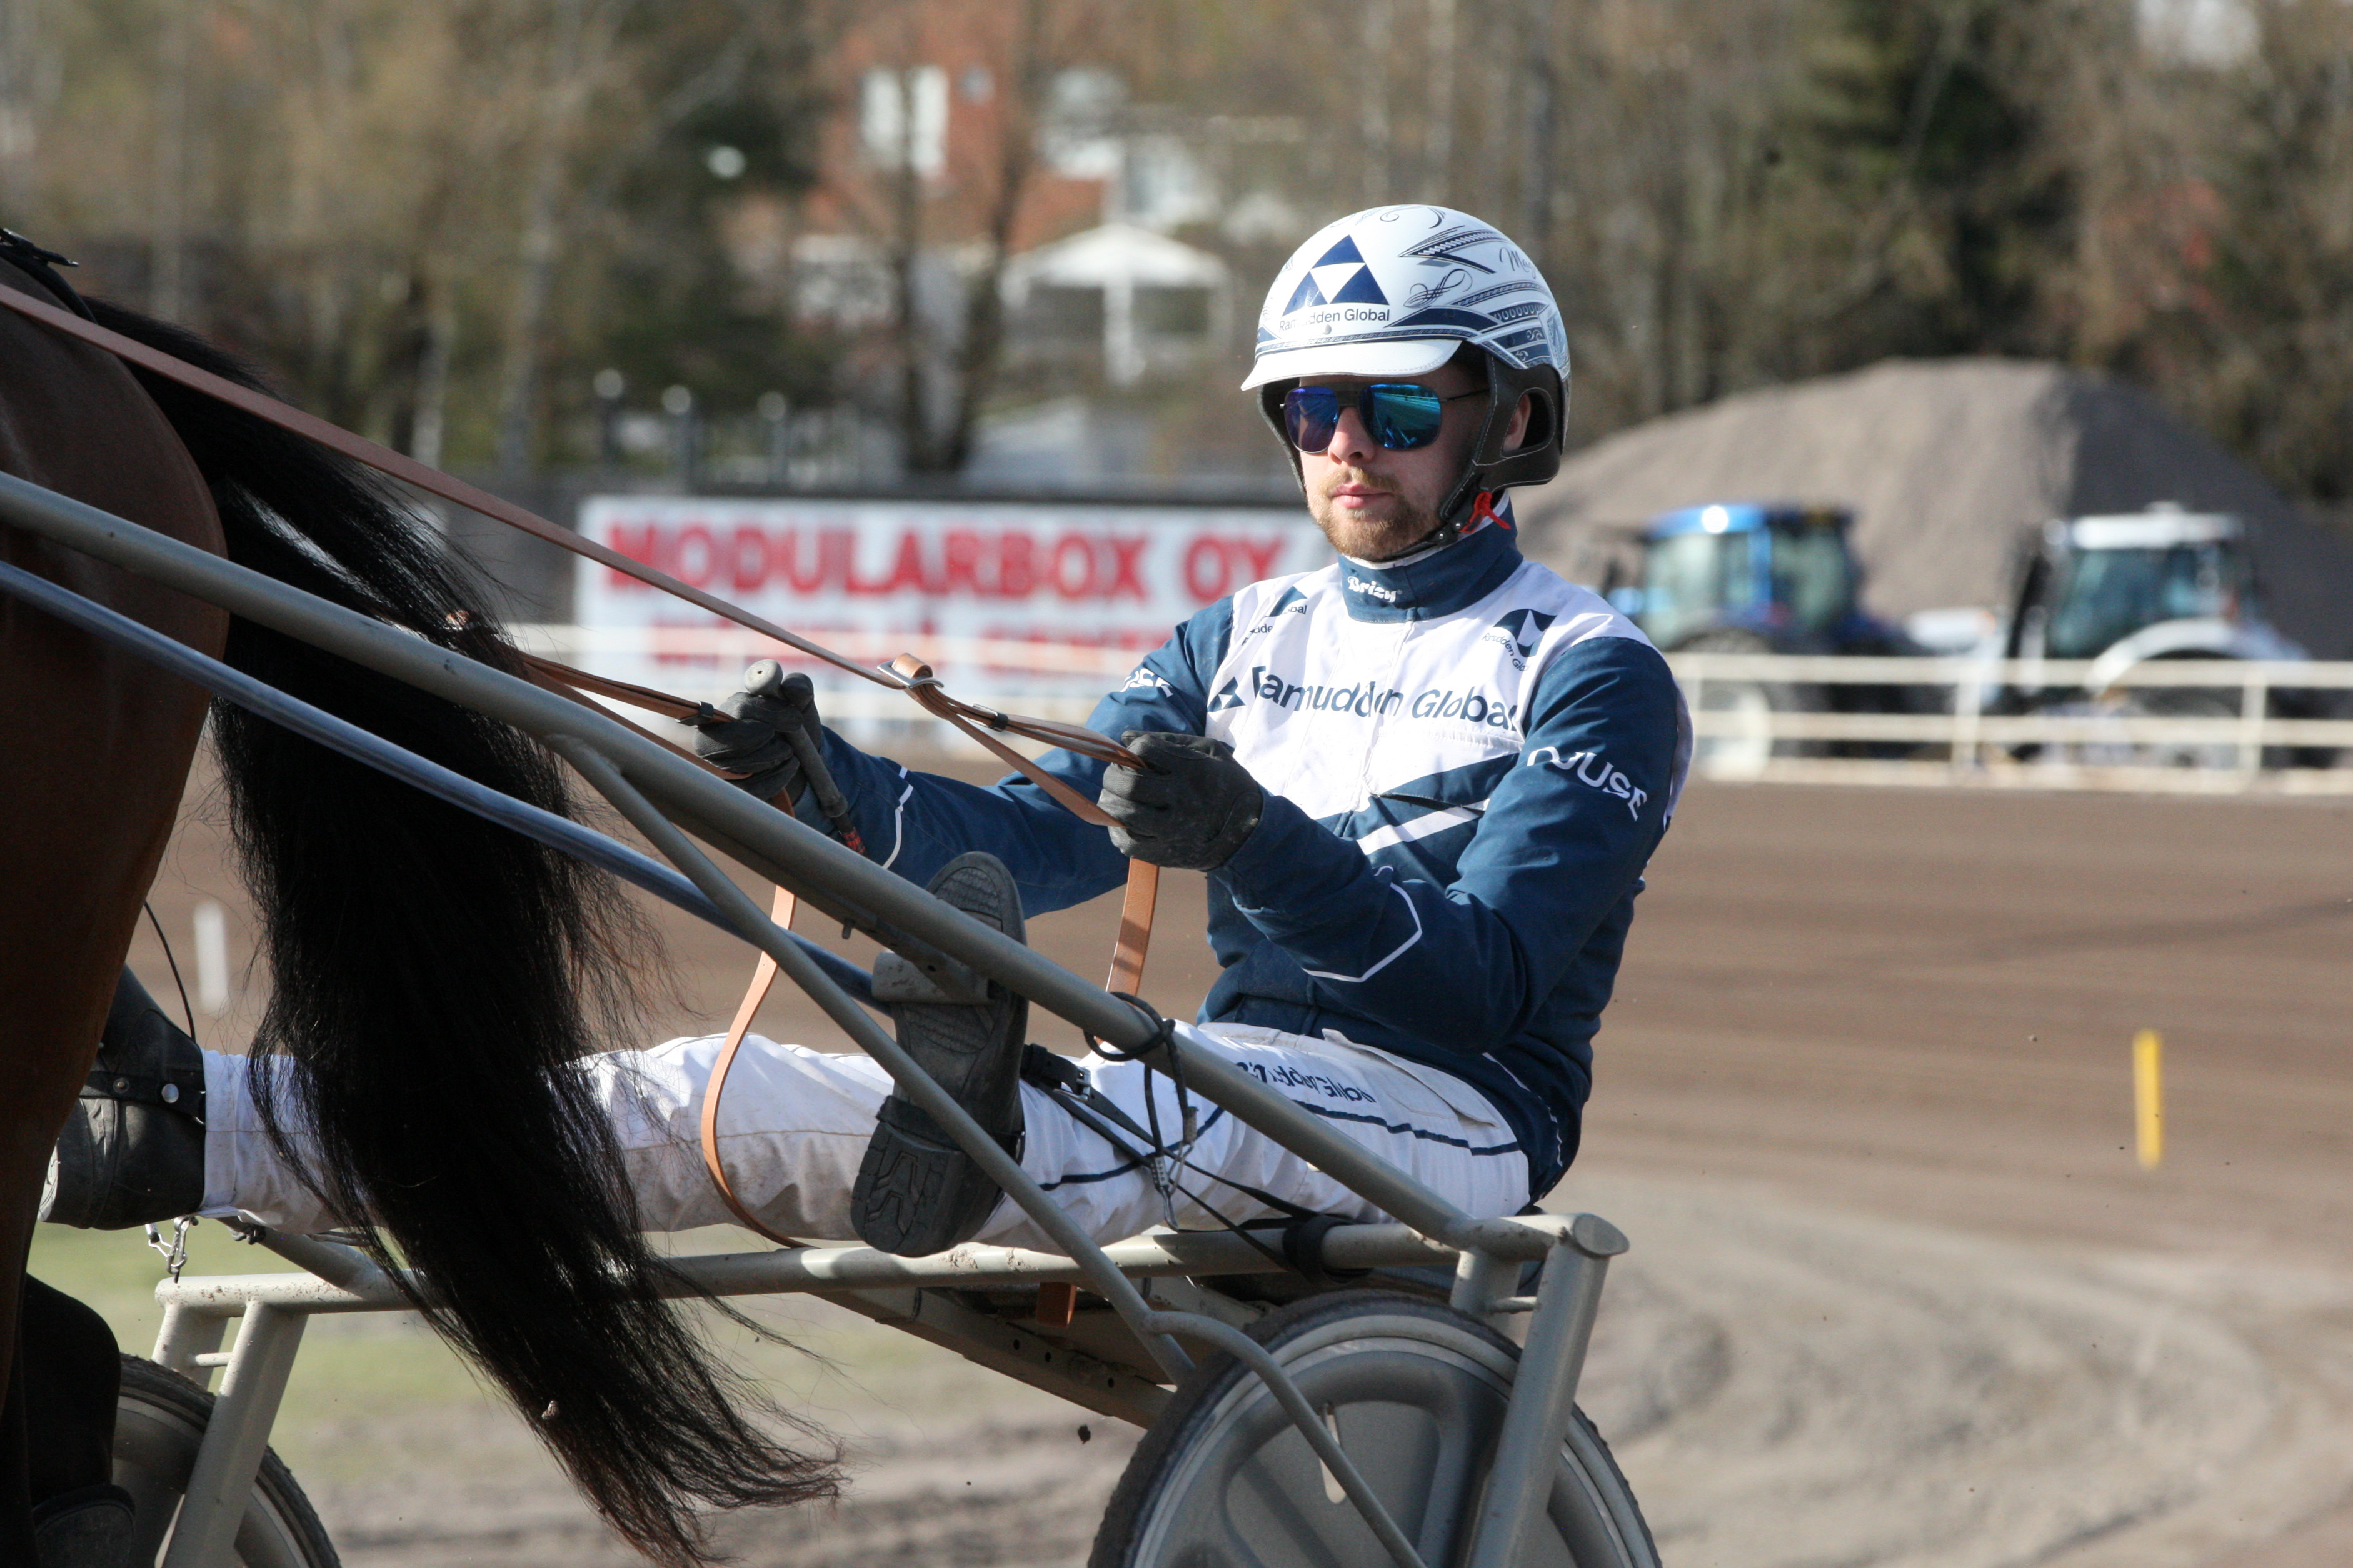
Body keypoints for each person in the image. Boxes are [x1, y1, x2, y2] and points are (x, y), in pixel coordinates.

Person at [46, 207, 1690, 1259]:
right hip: (1230, 1087)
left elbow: (1478, 987)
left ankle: (976, 1106)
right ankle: (218, 1124)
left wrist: (1254, 841)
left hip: (1450, 1119)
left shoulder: (1594, 675)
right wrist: (835, 797)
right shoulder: (1235, 639)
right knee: (723, 1087)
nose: (1344, 450)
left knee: (1045, 1107)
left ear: (1511, 419)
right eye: (1309, 411)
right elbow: (1030, 844)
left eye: (1396, 409)